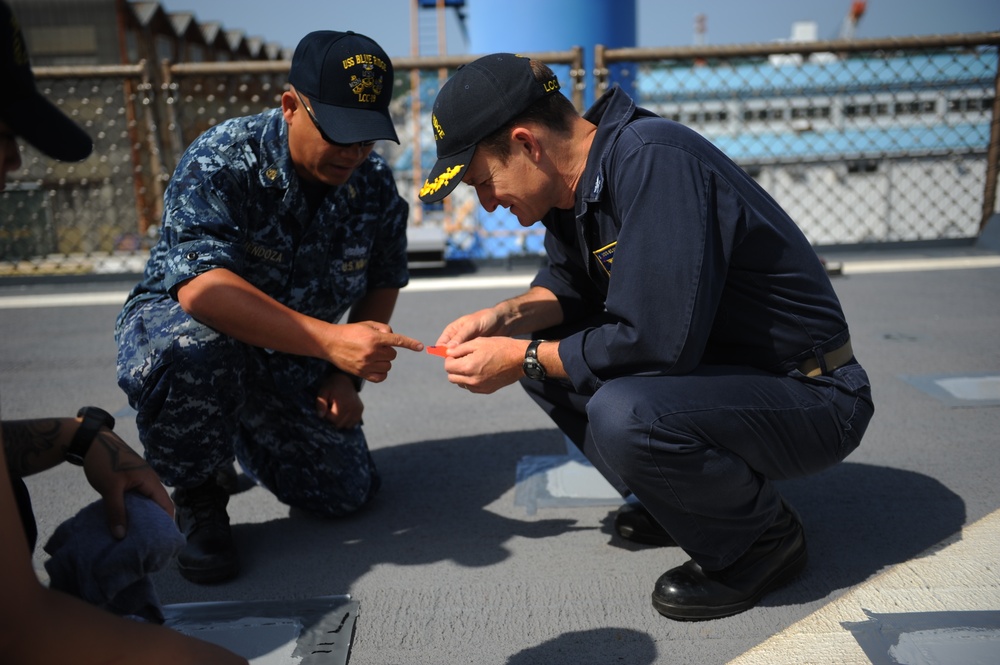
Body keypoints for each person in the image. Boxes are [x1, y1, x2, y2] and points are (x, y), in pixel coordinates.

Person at [419, 54, 874, 621]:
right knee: (545, 346)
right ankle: (685, 500)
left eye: (483, 181)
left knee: (615, 406)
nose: (486, 202)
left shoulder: (653, 160)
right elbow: (564, 288)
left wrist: (522, 359)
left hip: (814, 394)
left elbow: (656, 342)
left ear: (527, 144)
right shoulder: (571, 189)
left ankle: (762, 542)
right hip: (735, 380)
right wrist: (504, 318)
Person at [115, 29, 424, 585]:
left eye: (367, 139)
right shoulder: (224, 158)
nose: (354, 154)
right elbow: (202, 290)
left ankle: (238, 432)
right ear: (290, 106)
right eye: (340, 135)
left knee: (345, 492)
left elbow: (384, 275)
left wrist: (340, 378)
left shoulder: (372, 185)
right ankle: (200, 493)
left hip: (290, 349)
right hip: (191, 331)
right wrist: (331, 343)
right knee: (194, 348)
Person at [0, 2, 247, 661]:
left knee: (136, 528)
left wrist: (79, 436)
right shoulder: (226, 161)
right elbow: (17, 631)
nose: (13, 163)